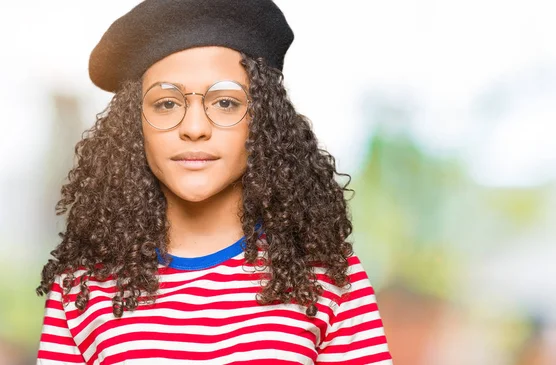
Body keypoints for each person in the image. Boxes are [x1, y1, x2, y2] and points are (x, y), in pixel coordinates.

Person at [35, 1, 393, 364]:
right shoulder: (82, 288)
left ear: (263, 120)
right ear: (133, 126)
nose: (194, 128)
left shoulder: (327, 277)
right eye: (166, 103)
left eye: (225, 102)